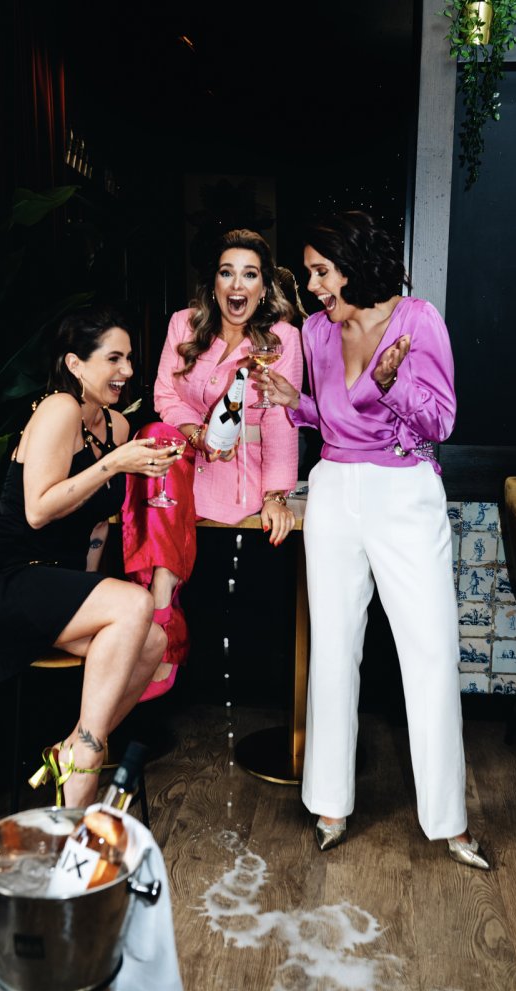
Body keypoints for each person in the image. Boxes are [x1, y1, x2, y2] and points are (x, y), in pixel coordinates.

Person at [253, 211, 489, 868]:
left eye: (320, 271)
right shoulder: (317, 331)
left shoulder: (417, 320)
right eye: (310, 274)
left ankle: (450, 822)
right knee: (332, 650)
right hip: (333, 489)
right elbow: (332, 417)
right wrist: (292, 401)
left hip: (404, 493)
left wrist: (392, 384)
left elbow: (440, 421)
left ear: (353, 264)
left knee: (430, 652)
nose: (311, 286)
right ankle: (330, 805)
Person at [0, 305, 179, 808]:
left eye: (130, 359)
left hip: (52, 583)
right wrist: (114, 464)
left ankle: (69, 749)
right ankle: (83, 775)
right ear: (75, 364)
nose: (127, 370)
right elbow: (38, 511)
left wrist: (87, 593)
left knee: (152, 641)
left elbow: (97, 526)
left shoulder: (116, 425)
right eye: (114, 358)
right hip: (5, 579)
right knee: (136, 604)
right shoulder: (59, 409)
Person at [121, 229, 303, 696]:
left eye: (250, 274)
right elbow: (165, 395)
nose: (237, 285)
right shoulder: (183, 325)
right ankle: (161, 616)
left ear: (264, 287)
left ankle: (158, 630)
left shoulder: (282, 339)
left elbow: (282, 419)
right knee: (154, 436)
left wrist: (276, 494)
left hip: (241, 473)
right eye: (227, 273)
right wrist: (196, 434)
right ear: (214, 282)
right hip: (185, 460)